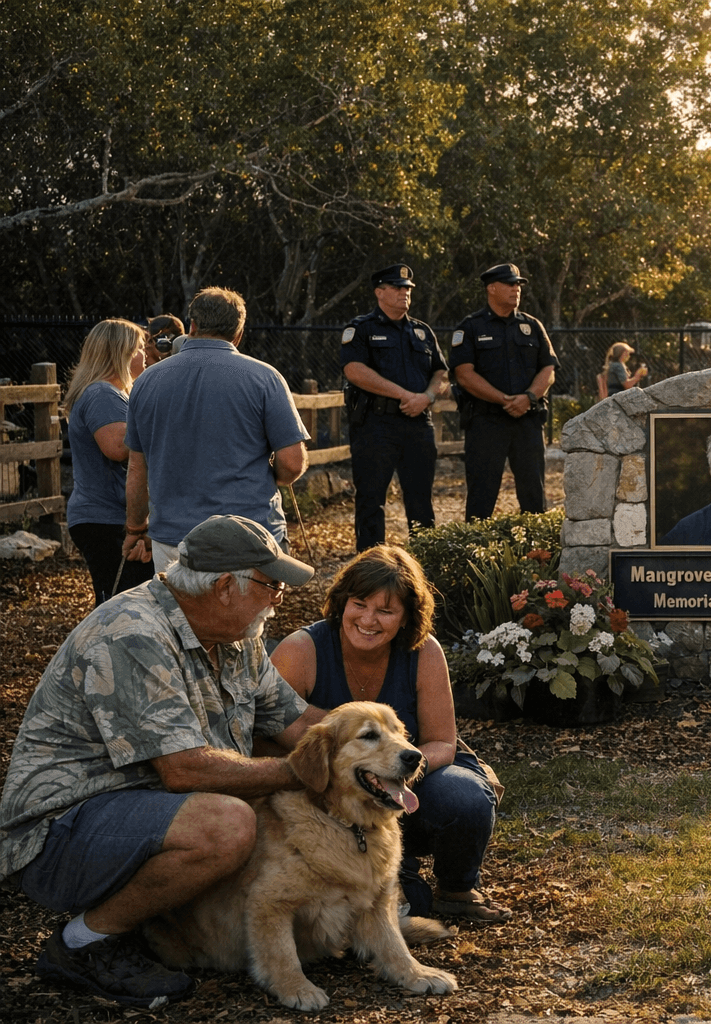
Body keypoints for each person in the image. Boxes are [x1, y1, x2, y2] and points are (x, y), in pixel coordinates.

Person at [0, 515, 325, 1008]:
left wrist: (383, 746)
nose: (279, 598)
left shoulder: (237, 638)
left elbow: (298, 726)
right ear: (224, 587)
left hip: (138, 815)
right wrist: (308, 773)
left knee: (259, 789)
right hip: (57, 833)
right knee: (226, 825)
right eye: (272, 585)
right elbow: (186, 771)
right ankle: (84, 944)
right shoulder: (133, 634)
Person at [269, 545, 508, 922]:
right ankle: (401, 875)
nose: (368, 619)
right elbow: (272, 737)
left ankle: (457, 888)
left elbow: (442, 741)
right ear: (342, 602)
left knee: (464, 798)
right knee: (412, 907)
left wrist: (397, 776)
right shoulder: (300, 651)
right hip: (333, 800)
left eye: (386, 610)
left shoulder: (424, 652)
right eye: (359, 604)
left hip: (410, 776)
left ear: (407, 617)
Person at [123, 287, 309, 571]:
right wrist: (275, 477)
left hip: (174, 539)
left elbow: (138, 468)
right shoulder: (265, 378)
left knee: (179, 602)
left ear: (192, 326)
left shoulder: (147, 382)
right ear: (239, 334)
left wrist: (136, 528)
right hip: (250, 534)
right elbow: (292, 463)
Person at [343, 264, 450, 550]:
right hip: (376, 426)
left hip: (418, 424)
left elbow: (441, 373)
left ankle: (424, 562)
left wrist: (426, 397)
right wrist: (405, 395)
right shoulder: (362, 329)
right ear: (379, 292)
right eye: (397, 287)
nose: (405, 292)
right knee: (370, 500)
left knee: (421, 500)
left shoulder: (422, 331)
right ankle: (371, 565)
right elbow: (354, 370)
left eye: (408, 289)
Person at [450, 263, 558, 521]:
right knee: (481, 496)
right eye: (510, 284)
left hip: (527, 421)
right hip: (487, 422)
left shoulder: (532, 325)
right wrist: (504, 400)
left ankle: (535, 545)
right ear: (491, 288)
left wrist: (528, 398)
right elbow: (464, 374)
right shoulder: (471, 327)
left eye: (518, 285)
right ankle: (476, 545)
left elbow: (549, 369)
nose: (516, 289)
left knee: (534, 495)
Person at [63, 319, 156, 605]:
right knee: (119, 605)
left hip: (106, 517)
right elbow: (118, 447)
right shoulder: (102, 393)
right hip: (106, 519)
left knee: (123, 602)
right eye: (139, 347)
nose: (146, 354)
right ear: (121, 352)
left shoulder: (108, 393)